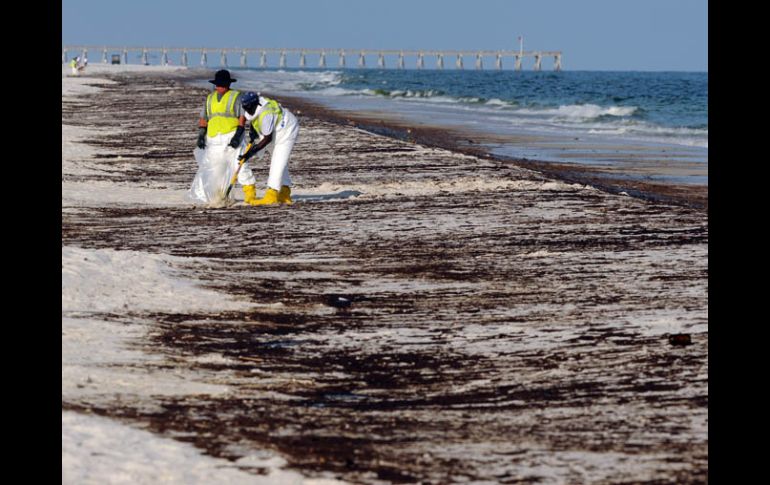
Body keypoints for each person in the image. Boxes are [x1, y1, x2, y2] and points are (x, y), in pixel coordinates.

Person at [190, 69, 258, 204]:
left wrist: (238, 133)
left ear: (228, 84)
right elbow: (204, 118)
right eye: (217, 84)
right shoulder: (209, 99)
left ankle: (250, 194)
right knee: (215, 169)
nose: (219, 87)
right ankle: (219, 196)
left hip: (231, 135)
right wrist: (201, 135)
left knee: (240, 165)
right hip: (214, 139)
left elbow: (241, 116)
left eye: (222, 84)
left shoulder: (236, 96)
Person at [239, 91, 299, 205]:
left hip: (288, 129)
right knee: (279, 161)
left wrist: (251, 152)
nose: (246, 109)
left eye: (247, 107)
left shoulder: (266, 114)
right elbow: (251, 118)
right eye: (244, 107)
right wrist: (252, 131)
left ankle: (271, 194)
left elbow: (267, 139)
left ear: (254, 104)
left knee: (278, 161)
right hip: (276, 129)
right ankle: (285, 192)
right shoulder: (250, 106)